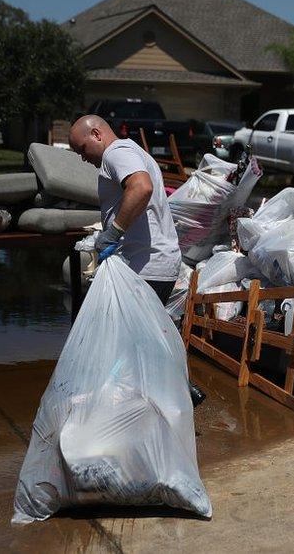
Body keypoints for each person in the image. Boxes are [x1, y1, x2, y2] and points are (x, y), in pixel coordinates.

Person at [69, 115, 205, 407]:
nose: (82, 158)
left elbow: (141, 188)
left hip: (148, 266)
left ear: (96, 134)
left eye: (82, 149)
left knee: (125, 343)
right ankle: (176, 392)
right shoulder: (130, 151)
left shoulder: (116, 154)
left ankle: (173, 395)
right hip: (154, 264)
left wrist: (114, 231)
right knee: (140, 341)